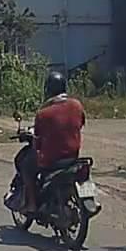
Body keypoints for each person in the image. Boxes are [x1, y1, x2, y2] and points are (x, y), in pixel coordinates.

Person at [17, 70, 86, 213]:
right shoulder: (77, 105)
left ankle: (31, 204)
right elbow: (80, 124)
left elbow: (37, 139)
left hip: (51, 159)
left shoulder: (43, 113)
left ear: (48, 90)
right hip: (72, 156)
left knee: (27, 167)